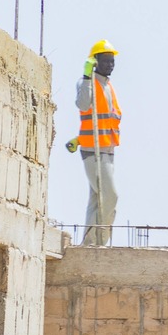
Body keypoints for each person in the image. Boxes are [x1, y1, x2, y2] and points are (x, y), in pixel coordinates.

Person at [68, 39, 122, 246]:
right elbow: (83, 105)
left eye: (112, 61)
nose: (111, 65)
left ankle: (89, 242)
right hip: (93, 151)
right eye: (106, 60)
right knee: (110, 196)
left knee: (97, 199)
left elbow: (101, 119)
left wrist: (77, 138)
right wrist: (86, 76)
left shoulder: (109, 87)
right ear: (95, 60)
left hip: (107, 150)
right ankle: (96, 241)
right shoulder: (86, 82)